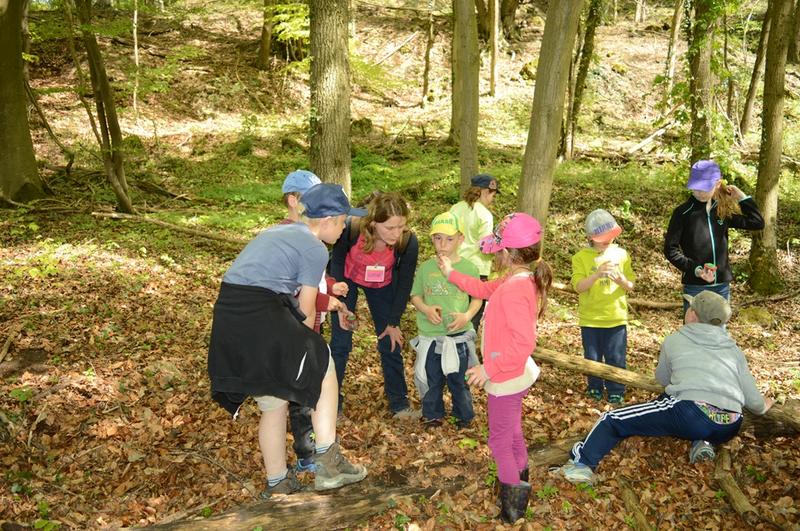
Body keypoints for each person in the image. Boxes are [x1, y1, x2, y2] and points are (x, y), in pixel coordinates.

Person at [207, 183, 368, 497]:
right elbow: (307, 314)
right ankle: (328, 463)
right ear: (330, 220)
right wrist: (310, 356)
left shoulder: (274, 233)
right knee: (323, 363)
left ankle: (277, 482)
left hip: (230, 315)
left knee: (274, 400)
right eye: (344, 221)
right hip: (261, 311)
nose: (345, 228)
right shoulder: (315, 248)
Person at [559, 290, 774, 485]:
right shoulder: (733, 349)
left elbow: (663, 378)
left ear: (692, 315)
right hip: (729, 425)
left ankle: (581, 465)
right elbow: (755, 402)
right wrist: (765, 405)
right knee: (669, 404)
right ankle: (703, 442)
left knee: (612, 420)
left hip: (690, 414)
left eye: (689, 308)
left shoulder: (675, 340)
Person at [437, 213, 553, 524]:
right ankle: (519, 480)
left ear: (507, 253)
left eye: (497, 251)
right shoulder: (517, 279)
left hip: (506, 375)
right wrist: (451, 274)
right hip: (512, 372)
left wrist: (489, 369)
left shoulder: (516, 288)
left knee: (499, 440)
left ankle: (512, 508)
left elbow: (523, 343)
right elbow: (483, 289)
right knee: (512, 432)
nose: (495, 256)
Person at [277, 170, 353, 474]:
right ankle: (308, 453)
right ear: (294, 200)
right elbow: (294, 291)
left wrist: (331, 286)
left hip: (310, 324)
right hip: (296, 327)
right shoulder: (290, 237)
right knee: (301, 396)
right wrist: (326, 302)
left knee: (308, 390)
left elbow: (314, 280)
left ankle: (314, 451)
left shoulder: (312, 239)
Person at [329, 192, 420, 419]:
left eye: (401, 226)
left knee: (390, 339)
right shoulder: (351, 229)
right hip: (347, 281)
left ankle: (399, 403)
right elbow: (337, 260)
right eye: (390, 228)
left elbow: (405, 282)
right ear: (373, 222)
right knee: (341, 342)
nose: (396, 233)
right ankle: (332, 404)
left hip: (383, 284)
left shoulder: (407, 242)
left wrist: (393, 321)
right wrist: (342, 304)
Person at [410, 212, 481, 429]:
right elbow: (416, 295)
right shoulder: (426, 268)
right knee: (432, 378)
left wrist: (466, 316)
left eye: (449, 239)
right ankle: (433, 414)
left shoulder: (468, 268)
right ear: (432, 239)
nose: (443, 244)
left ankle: (464, 416)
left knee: (458, 380)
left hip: (457, 337)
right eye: (438, 238)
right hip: (431, 335)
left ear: (460, 239)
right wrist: (426, 308)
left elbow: (477, 297)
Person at [664, 159, 764, 312]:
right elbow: (670, 249)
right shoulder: (682, 213)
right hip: (695, 286)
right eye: (696, 188)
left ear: (717, 184)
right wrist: (696, 270)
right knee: (695, 333)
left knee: (718, 333)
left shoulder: (721, 211)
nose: (700, 192)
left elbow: (757, 222)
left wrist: (742, 197)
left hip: (721, 286)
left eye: (705, 187)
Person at [572, 209, 635, 404]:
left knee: (616, 356)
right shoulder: (580, 257)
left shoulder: (621, 254)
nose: (608, 241)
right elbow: (578, 286)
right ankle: (595, 387)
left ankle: (616, 388)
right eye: (602, 237)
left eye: (610, 236)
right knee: (592, 358)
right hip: (590, 319)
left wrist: (621, 279)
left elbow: (630, 286)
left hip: (615, 317)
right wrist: (596, 274)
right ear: (591, 237)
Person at [449, 174, 500, 331]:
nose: (493, 199)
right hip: (476, 271)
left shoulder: (455, 208)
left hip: (453, 267)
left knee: (452, 311)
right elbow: (485, 247)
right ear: (485, 192)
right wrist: (499, 252)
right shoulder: (485, 214)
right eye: (493, 194)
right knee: (472, 317)